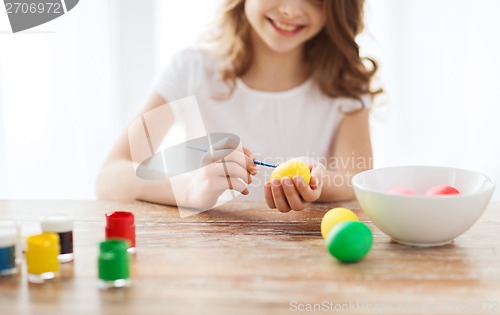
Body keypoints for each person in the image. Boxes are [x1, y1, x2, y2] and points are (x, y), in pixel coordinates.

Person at [96, 0, 381, 213]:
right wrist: (192, 188)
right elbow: (110, 177)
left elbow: (358, 182)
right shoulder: (192, 71)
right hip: (213, 269)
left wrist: (318, 183)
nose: (292, 10)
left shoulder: (345, 86)